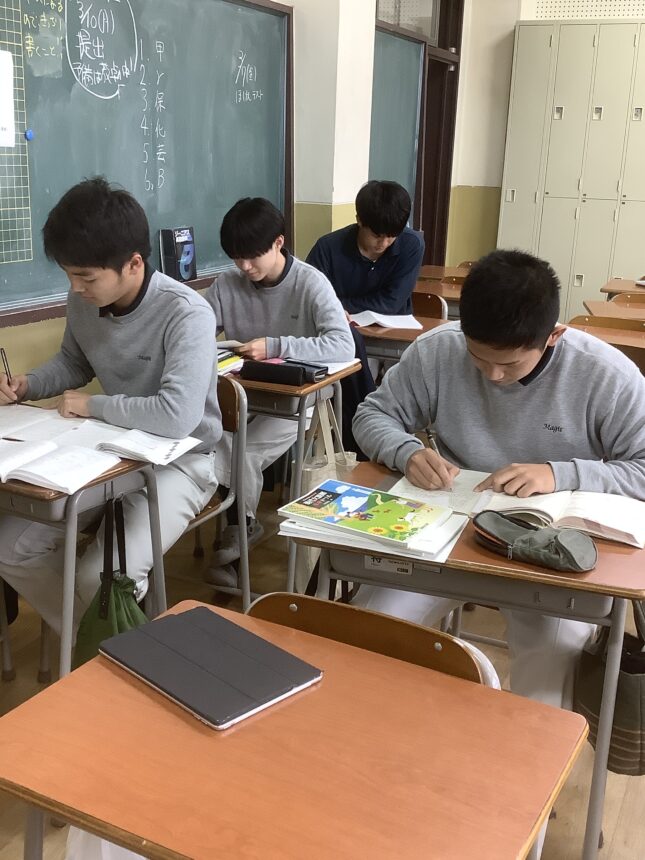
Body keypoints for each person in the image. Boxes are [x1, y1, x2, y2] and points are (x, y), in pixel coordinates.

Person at [352, 248, 645, 712]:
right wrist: (406, 452)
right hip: (446, 532)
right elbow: (372, 415)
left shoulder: (605, 375)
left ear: (553, 336)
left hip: (548, 552)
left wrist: (559, 473)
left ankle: (530, 752)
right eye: (478, 357)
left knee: (549, 675)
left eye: (510, 365)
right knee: (369, 632)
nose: (492, 375)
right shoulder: (439, 349)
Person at [0, 177, 221, 635]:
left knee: (98, 578)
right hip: (107, 457)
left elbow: (177, 416)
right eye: (69, 275)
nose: (76, 287)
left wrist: (94, 406)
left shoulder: (187, 313)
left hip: (180, 465)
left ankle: (109, 646)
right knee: (11, 548)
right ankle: (94, 644)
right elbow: (73, 363)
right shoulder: (83, 301)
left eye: (86, 277)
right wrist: (27, 385)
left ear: (134, 263)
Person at [204, 197, 355, 584]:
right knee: (211, 436)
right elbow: (197, 334)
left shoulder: (310, 283)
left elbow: (343, 345)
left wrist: (275, 346)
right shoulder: (227, 285)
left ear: (278, 243)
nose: (244, 267)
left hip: (296, 400)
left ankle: (240, 529)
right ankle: (241, 522)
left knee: (244, 449)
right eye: (236, 257)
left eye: (252, 256)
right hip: (243, 396)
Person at [306, 180, 424, 315]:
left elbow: (392, 303)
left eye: (391, 236)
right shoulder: (327, 248)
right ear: (359, 220)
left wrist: (336, 306)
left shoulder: (412, 244)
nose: (384, 243)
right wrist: (332, 309)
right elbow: (310, 298)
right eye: (376, 236)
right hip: (340, 324)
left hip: (393, 325)